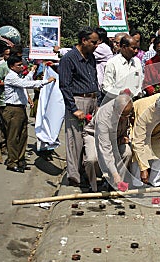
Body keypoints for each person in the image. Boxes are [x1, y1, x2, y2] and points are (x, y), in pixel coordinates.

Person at [59, 27, 99, 186]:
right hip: (78, 101)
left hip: (92, 100)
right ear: (84, 41)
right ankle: (74, 177)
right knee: (74, 141)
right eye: (94, 42)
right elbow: (64, 86)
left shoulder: (91, 58)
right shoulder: (69, 59)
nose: (96, 45)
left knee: (89, 138)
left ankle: (87, 171)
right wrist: (74, 109)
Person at [3, 55, 56, 172]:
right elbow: (26, 84)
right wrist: (46, 81)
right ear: (12, 66)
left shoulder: (17, 76)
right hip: (13, 109)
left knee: (23, 136)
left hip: (20, 109)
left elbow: (25, 81)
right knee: (13, 137)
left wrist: (31, 72)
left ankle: (20, 160)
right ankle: (12, 162)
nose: (21, 67)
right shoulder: (11, 77)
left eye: (21, 64)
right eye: (19, 65)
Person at [82, 94, 133, 192]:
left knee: (127, 152)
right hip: (94, 135)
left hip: (115, 137)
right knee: (92, 159)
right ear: (116, 110)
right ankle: (93, 186)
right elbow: (106, 150)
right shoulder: (104, 117)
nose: (125, 118)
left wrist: (125, 136)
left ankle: (115, 184)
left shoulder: (128, 107)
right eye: (123, 115)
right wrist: (115, 174)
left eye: (128, 115)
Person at [130, 93, 160, 187]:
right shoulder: (144, 111)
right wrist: (144, 169)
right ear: (158, 108)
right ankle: (137, 183)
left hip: (158, 132)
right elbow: (138, 142)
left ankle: (155, 182)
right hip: (139, 131)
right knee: (137, 153)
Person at [101, 35, 142, 104]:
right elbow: (106, 87)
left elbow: (140, 82)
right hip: (116, 103)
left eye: (137, 48)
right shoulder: (112, 63)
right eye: (133, 48)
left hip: (134, 102)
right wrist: (120, 95)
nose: (136, 51)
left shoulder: (137, 62)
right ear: (124, 47)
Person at [94, 27, 113, 105]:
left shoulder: (102, 48)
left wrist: (60, 50)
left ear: (100, 39)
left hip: (102, 86)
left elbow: (81, 52)